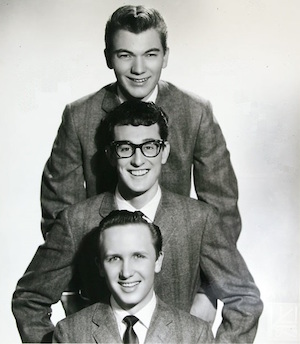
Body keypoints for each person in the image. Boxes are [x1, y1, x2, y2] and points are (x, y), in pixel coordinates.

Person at [12, 101, 263, 343]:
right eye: (125, 148)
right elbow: (29, 298)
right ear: (111, 155)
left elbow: (245, 298)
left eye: (149, 146)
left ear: (164, 152)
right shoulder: (77, 220)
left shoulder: (199, 219)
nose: (138, 160)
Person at [41, 4, 240, 245]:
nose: (138, 69)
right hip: (103, 262)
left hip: (177, 260)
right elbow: (59, 215)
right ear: (108, 57)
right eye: (125, 55)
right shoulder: (79, 116)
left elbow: (223, 214)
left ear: (165, 56)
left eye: (150, 54)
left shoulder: (195, 112)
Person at [52, 210, 214, 343]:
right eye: (114, 258)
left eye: (138, 256)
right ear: (100, 266)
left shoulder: (196, 335)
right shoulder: (70, 334)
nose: (126, 272)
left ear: (158, 260)